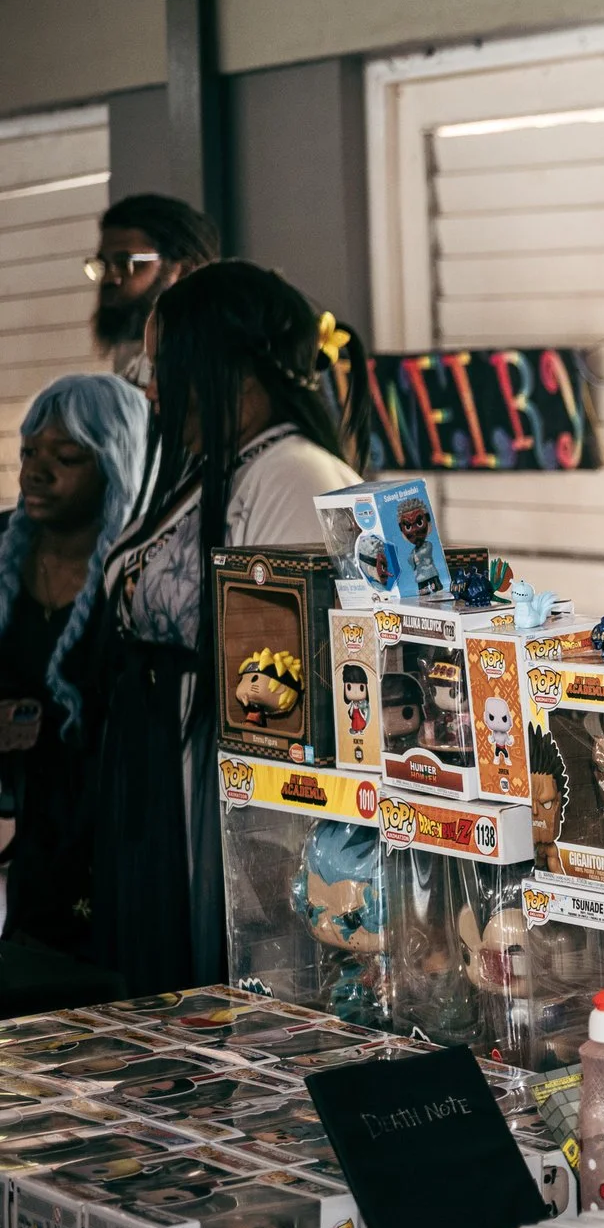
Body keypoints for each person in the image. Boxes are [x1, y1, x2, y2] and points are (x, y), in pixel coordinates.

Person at [90, 262, 365, 996]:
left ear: (231, 370)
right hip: (165, 768)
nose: (149, 386)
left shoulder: (293, 476)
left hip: (221, 787)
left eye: (163, 364)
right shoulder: (226, 466)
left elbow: (280, 688)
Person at [0, 375, 151, 958]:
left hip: (117, 836)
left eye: (65, 457)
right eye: (29, 453)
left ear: (115, 466)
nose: (36, 472)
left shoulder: (140, 580)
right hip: (30, 840)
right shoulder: (5, 558)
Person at [89, 195, 221, 388]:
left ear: (184, 271)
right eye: (103, 265)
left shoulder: (212, 361)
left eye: (126, 263)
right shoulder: (135, 359)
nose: (110, 278)